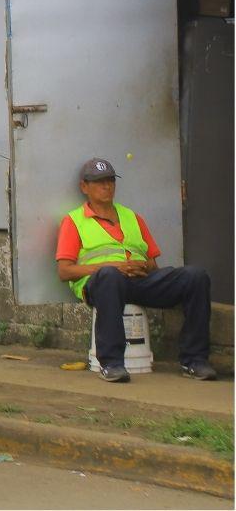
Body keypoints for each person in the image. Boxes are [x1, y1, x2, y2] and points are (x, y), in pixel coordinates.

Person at [55, 158, 215, 383]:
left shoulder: (132, 217)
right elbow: (65, 272)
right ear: (84, 187)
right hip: (102, 285)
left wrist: (143, 266)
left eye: (110, 181)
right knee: (110, 276)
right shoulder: (73, 221)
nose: (106, 186)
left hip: (138, 281)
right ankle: (111, 364)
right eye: (99, 182)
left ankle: (195, 361)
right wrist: (113, 267)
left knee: (195, 277)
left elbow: (152, 264)